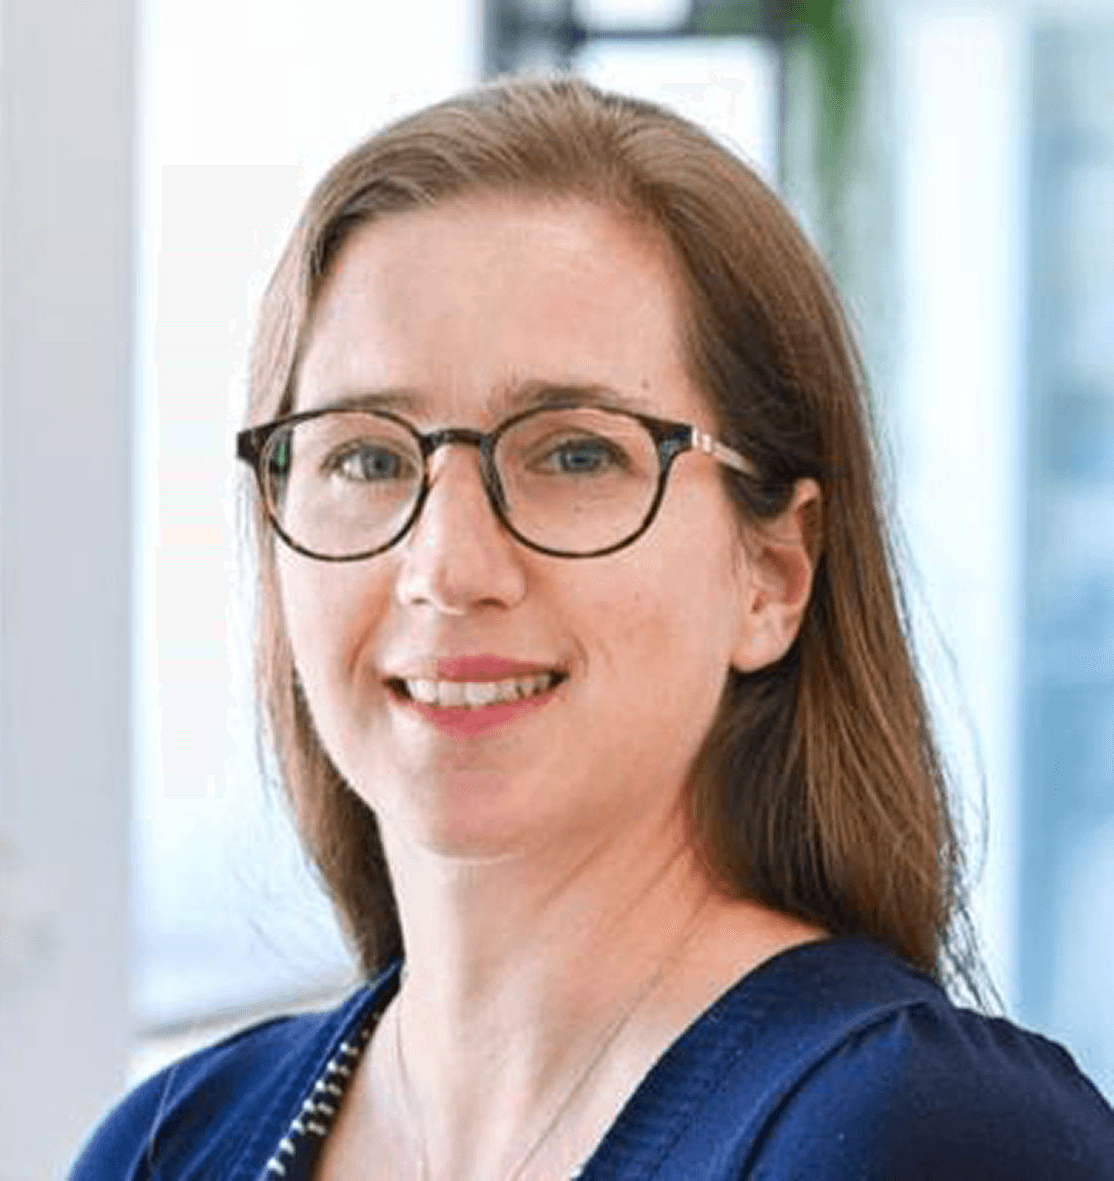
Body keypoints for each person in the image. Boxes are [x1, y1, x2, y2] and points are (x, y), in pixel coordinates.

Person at [70, 75, 1114, 1179]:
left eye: (574, 453)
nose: (447, 568)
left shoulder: (923, 1132)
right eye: (366, 456)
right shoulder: (164, 1147)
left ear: (771, 574)